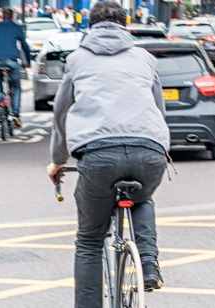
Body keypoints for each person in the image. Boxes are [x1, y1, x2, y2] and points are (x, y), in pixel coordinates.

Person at [46, 2, 169, 307]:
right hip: (149, 149)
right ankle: (149, 265)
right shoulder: (145, 58)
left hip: (98, 155)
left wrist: (58, 160)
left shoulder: (77, 60)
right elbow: (158, 109)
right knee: (142, 196)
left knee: (89, 240)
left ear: (90, 24)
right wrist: (160, 147)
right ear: (125, 24)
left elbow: (61, 114)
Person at [0, 8, 31, 128]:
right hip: (12, 61)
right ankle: (16, 114)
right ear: (12, 16)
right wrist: (27, 61)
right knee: (16, 87)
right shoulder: (17, 27)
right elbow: (24, 45)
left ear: (2, 16)